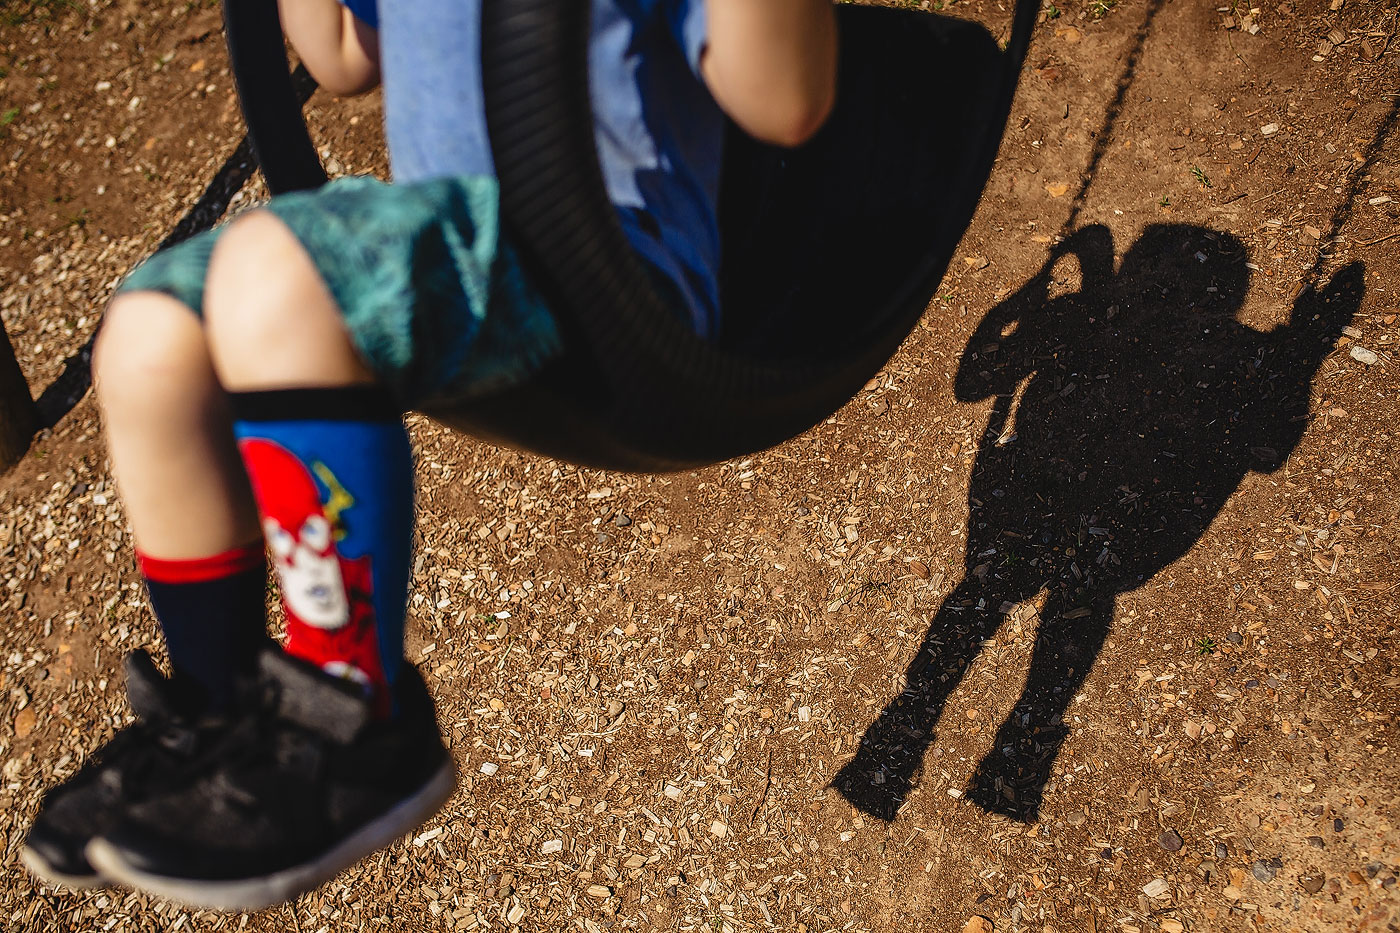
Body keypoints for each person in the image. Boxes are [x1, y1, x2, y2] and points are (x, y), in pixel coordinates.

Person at [20, 0, 837, 912]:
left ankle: (361, 727)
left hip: (603, 267)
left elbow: (787, 101)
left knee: (270, 266)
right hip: (442, 249)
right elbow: (340, 57)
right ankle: (218, 717)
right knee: (146, 337)